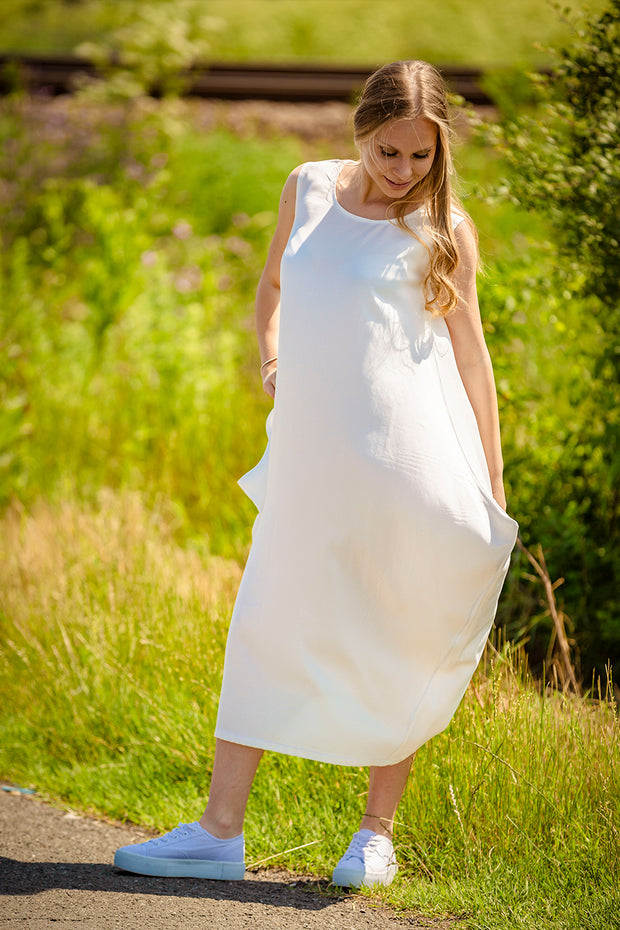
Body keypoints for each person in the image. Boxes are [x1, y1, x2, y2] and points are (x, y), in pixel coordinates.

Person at [114, 60, 518, 888]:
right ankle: (218, 833)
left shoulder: (443, 227)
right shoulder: (307, 191)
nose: (401, 171)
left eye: (419, 157)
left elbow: (474, 362)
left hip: (411, 466)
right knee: (266, 614)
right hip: (307, 461)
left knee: (396, 625)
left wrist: (492, 485)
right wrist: (269, 362)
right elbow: (271, 288)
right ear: (358, 130)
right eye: (386, 151)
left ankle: (374, 834)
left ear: (439, 153)